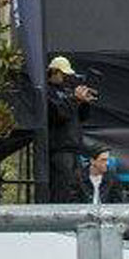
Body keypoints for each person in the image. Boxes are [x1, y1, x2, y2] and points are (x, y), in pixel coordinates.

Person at [44, 55, 95, 203]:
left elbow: (82, 117)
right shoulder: (48, 92)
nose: (67, 78)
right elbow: (59, 114)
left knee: (76, 187)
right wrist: (75, 99)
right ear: (54, 72)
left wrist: (84, 102)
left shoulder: (67, 91)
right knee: (62, 187)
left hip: (74, 147)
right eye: (64, 75)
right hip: (59, 149)